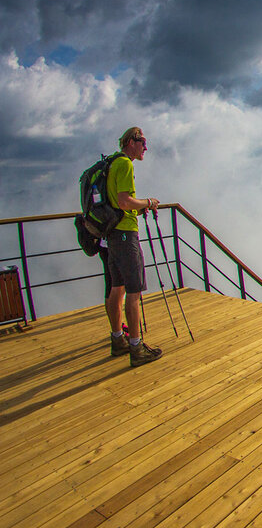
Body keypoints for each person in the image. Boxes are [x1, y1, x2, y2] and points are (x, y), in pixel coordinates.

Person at [106, 127, 163, 367]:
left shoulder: (112, 164)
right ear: (131, 142)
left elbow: (118, 201)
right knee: (134, 291)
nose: (145, 148)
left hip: (112, 233)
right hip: (125, 234)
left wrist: (135, 205)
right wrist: (148, 203)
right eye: (143, 142)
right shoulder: (125, 165)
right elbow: (124, 201)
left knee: (117, 287)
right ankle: (136, 347)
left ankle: (118, 339)